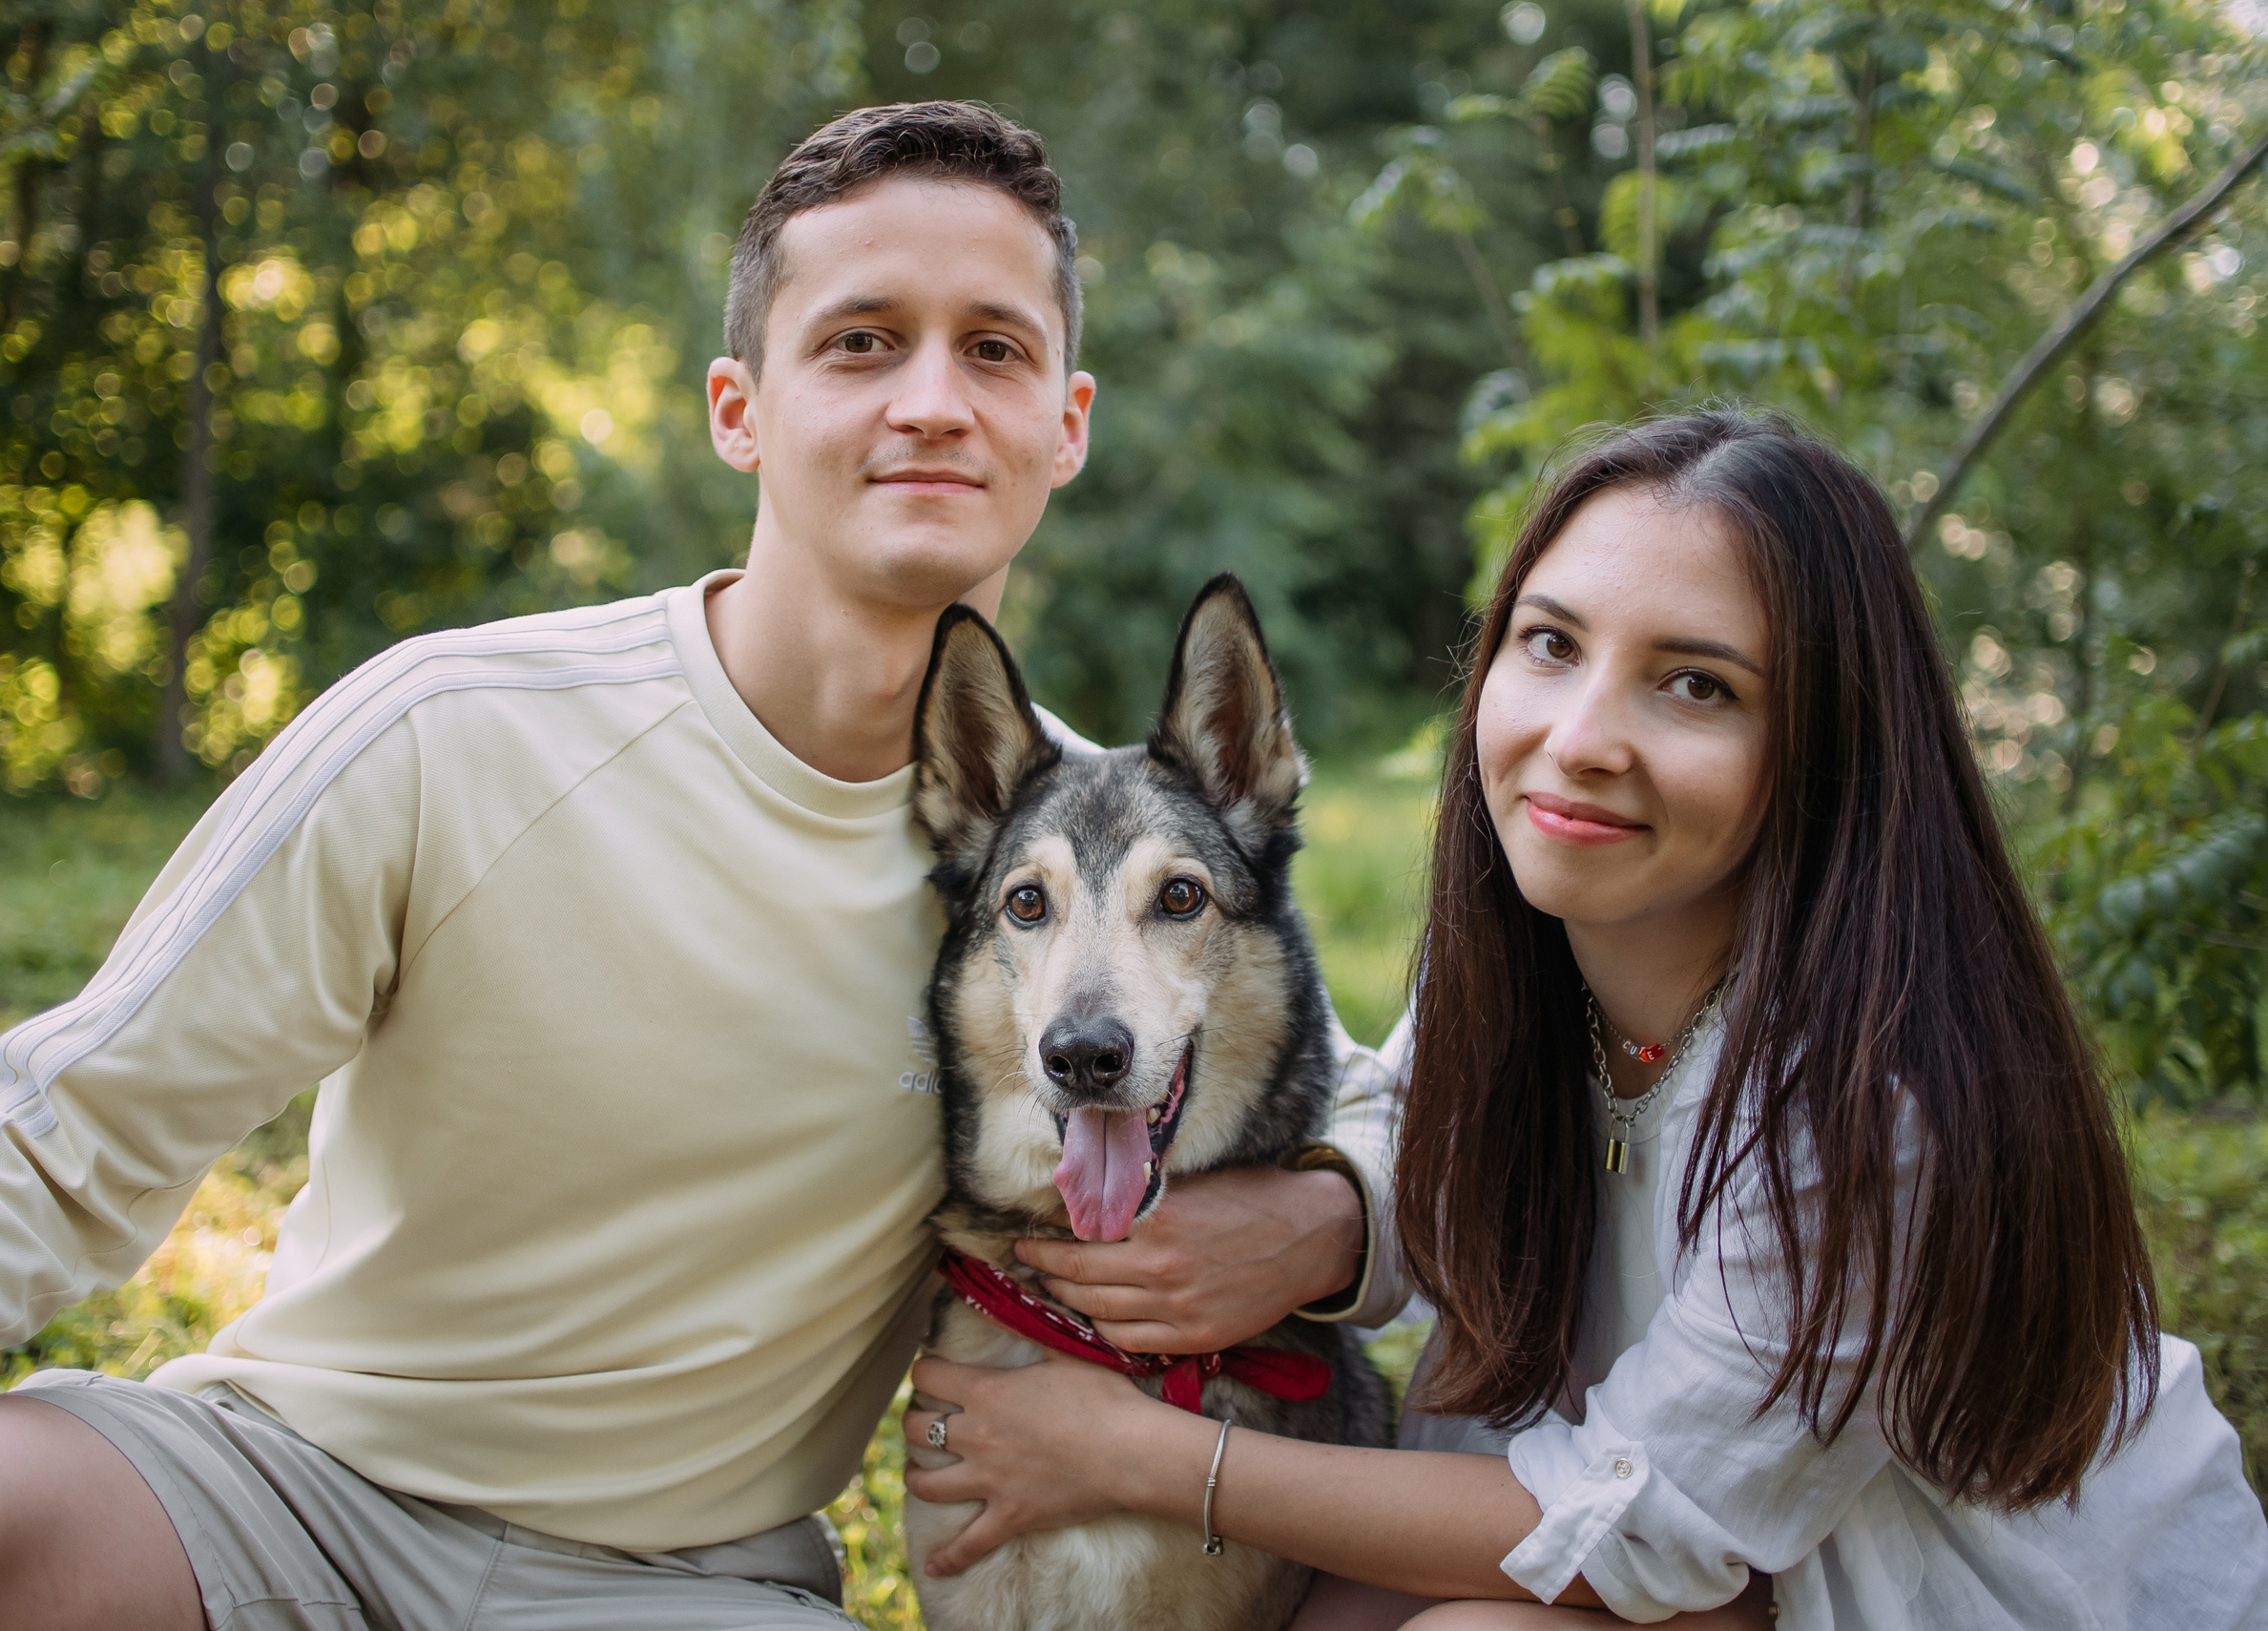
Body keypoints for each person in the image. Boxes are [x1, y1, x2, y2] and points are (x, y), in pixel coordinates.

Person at [0, 102, 1403, 1631]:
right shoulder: (454, 736)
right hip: (277, 1493)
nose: (932, 399)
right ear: (739, 406)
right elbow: (66, 1129)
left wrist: (1336, 1220)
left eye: (992, 349)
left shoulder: (1064, 863)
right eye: (862, 341)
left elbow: (1377, 1097)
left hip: (687, 1587)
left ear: (1066, 422)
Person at [903, 410, 2268, 1629]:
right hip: (1713, 1566)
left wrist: (1137, 1458)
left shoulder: (1865, 1103)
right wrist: (1339, 1215)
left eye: (1697, 682)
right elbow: (1402, 1102)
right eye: (1553, 643)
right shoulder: (1548, 944)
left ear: (1824, 738)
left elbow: (1647, 1527)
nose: (1580, 736)